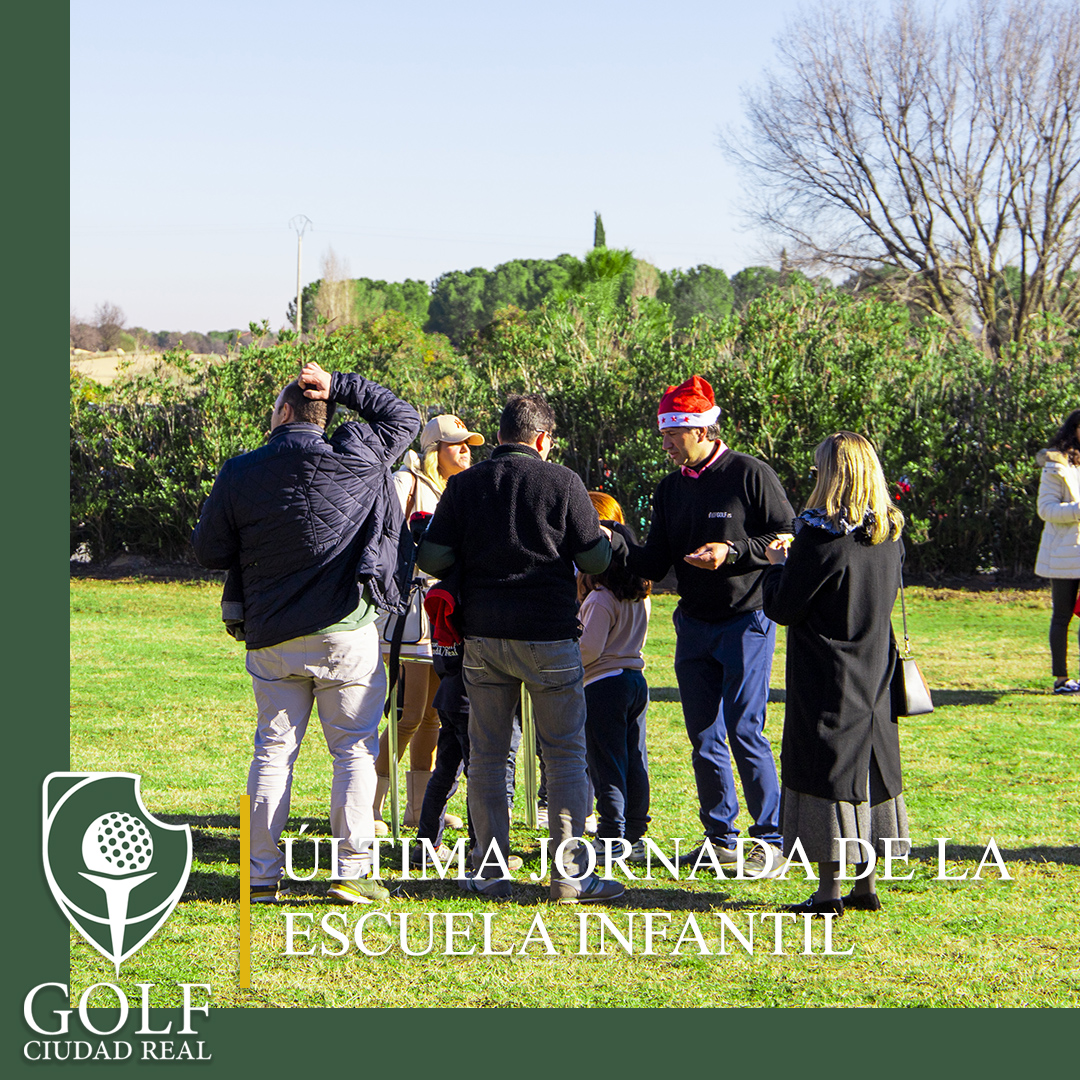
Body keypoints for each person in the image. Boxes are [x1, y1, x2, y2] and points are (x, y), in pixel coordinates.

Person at [192, 361, 420, 904]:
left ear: (286, 412)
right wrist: (342, 384)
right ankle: (353, 870)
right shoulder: (360, 461)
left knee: (272, 751)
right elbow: (405, 418)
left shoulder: (241, 471)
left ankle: (261, 873)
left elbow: (209, 551)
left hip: (271, 634)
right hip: (346, 630)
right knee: (354, 752)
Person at [416, 393, 624, 903]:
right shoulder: (564, 482)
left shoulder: (464, 485)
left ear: (503, 433)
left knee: (486, 755)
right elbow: (594, 560)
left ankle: (489, 871)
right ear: (542, 439)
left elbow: (434, 555)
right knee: (565, 755)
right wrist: (605, 538)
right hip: (550, 635)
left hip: (483, 637)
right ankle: (571, 877)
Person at [610, 375, 794, 876]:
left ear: (701, 431)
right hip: (693, 625)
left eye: (674, 436)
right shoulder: (669, 488)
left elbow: (788, 537)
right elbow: (652, 561)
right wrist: (607, 536)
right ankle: (721, 839)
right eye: (665, 436)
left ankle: (772, 839)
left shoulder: (751, 474)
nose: (666, 445)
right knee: (704, 735)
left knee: (745, 729)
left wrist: (732, 551)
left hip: (746, 620)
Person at [761, 431, 910, 915]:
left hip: (825, 671)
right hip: (874, 666)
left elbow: (785, 607)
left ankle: (827, 894)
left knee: (824, 775)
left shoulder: (820, 537)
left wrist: (777, 564)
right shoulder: (888, 532)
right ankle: (864, 885)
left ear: (832, 474)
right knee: (865, 771)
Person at [372, 414, 484, 835]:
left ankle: (419, 809)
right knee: (407, 713)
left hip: (446, 614)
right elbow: (387, 542)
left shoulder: (461, 491)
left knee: (435, 716)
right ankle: (371, 804)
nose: (465, 450)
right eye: (457, 444)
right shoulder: (406, 484)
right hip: (410, 614)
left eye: (468, 443)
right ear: (434, 448)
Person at [578, 492, 652, 862]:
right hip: (635, 680)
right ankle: (636, 831)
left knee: (605, 762)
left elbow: (588, 648)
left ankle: (610, 835)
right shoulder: (639, 597)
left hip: (602, 684)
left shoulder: (600, 600)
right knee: (634, 757)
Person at [1034, 409, 1080, 694]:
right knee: (1062, 615)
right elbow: (1046, 510)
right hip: (1064, 553)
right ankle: (1061, 679)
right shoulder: (1055, 465)